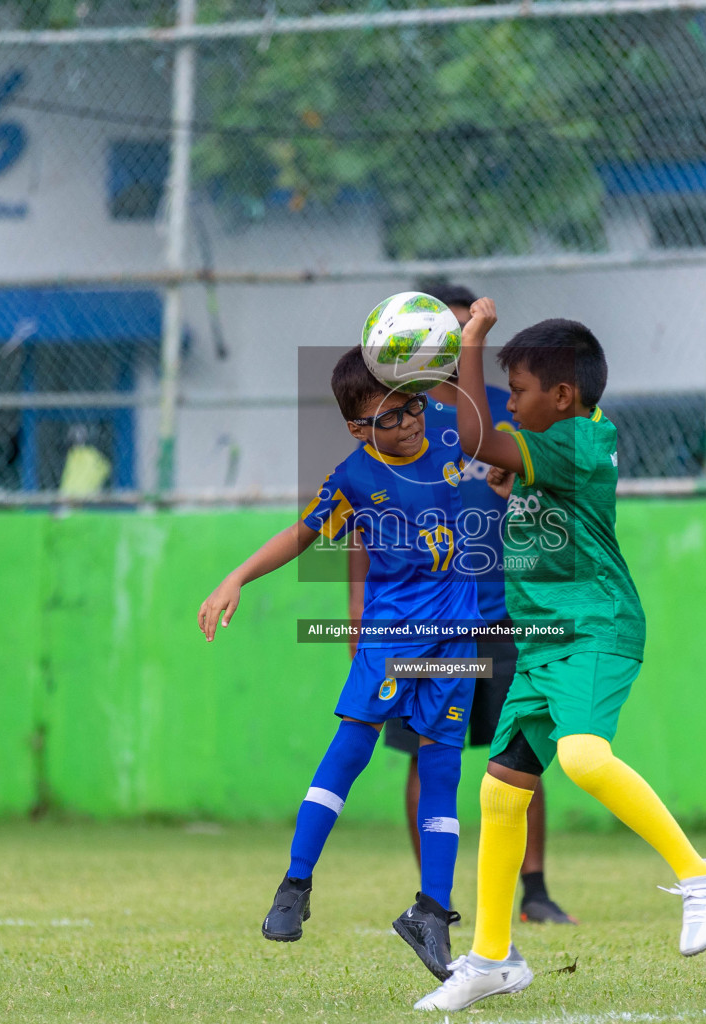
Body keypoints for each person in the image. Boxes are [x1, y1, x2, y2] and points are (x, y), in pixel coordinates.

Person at [415, 299, 706, 1012]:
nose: (510, 404)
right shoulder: (569, 439)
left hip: (594, 628)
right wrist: (514, 476)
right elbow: (508, 462)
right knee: (501, 791)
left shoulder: (572, 445)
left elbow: (473, 436)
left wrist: (473, 339)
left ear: (561, 397)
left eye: (519, 392)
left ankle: (700, 875)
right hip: (543, 640)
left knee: (586, 757)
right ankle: (493, 958)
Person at [197, 346, 480, 980]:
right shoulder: (354, 478)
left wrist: (468, 341)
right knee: (351, 750)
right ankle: (295, 886)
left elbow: (475, 417)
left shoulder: (444, 432)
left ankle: (432, 912)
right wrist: (236, 576)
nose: (408, 423)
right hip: (389, 642)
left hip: (457, 643)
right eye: (390, 417)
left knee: (442, 772)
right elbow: (301, 535)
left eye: (411, 407)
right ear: (357, 427)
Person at [352, 282, 575, 926]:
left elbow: (555, 498)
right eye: (432, 332)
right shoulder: (393, 420)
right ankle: (435, 899)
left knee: (522, 751)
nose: (445, 344)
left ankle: (533, 891)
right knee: (427, 750)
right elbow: (363, 521)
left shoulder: (512, 412)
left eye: (456, 332)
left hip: (508, 614)